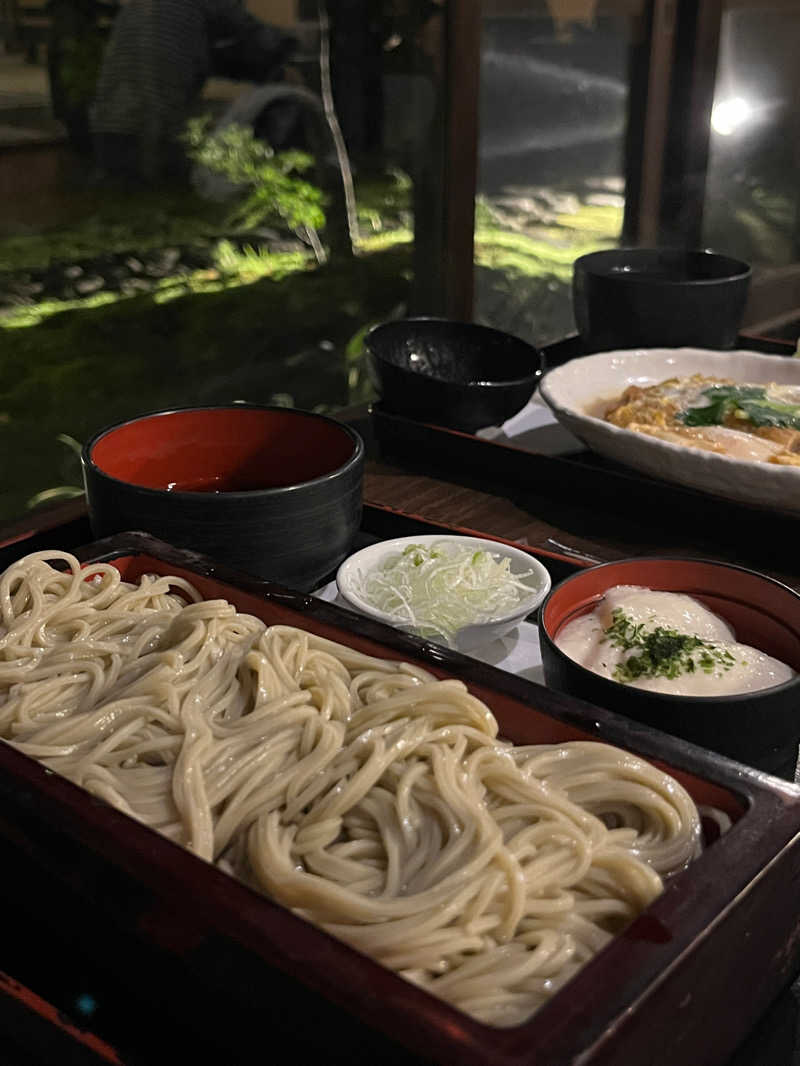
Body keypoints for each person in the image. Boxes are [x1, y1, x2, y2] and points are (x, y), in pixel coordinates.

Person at [91, 0, 297, 182]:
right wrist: (293, 46)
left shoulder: (155, 9)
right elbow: (253, 34)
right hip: (152, 129)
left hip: (108, 128)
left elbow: (205, 58)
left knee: (126, 206)